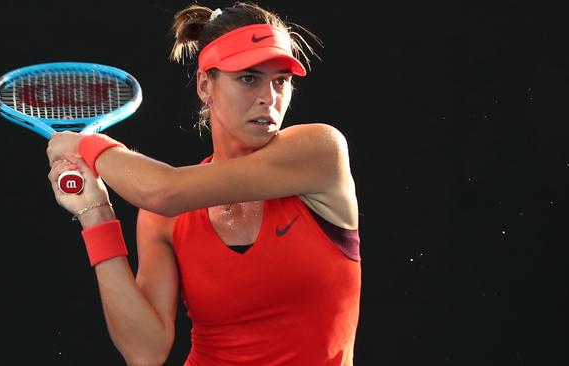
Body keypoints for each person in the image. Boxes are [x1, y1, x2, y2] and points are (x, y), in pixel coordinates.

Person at [46, 2, 361, 365]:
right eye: (248, 78)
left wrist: (83, 143)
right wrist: (96, 216)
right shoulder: (164, 217)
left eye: (281, 81)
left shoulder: (320, 151)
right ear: (204, 85)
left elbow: (162, 190)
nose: (269, 97)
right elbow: (145, 352)